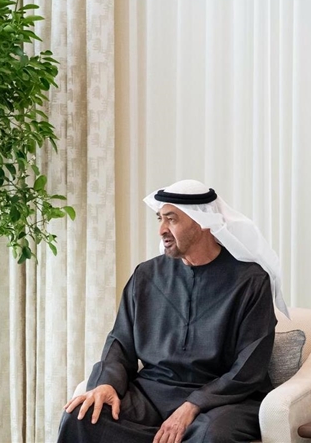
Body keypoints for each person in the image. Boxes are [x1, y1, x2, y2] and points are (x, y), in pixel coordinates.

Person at [58, 179, 289, 443]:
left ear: (202, 221)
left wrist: (194, 404)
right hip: (151, 394)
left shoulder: (250, 281)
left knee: (211, 435)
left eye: (172, 219)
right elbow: (120, 343)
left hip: (222, 400)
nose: (161, 230)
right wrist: (106, 384)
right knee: (82, 416)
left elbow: (249, 368)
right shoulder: (146, 275)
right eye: (160, 219)